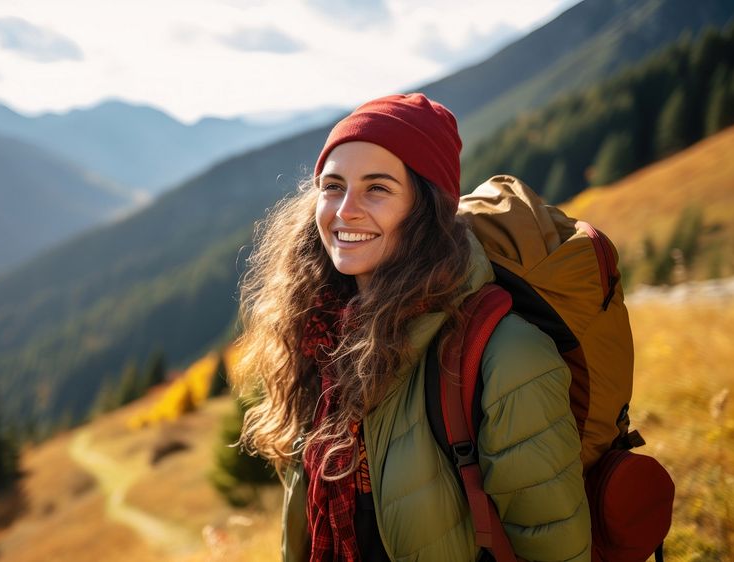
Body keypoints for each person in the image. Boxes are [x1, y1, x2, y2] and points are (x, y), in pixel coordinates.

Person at [234, 93, 591, 561]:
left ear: (426, 209)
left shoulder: (505, 355)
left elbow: (554, 547)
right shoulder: (321, 336)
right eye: (333, 185)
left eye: (377, 188)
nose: (345, 211)